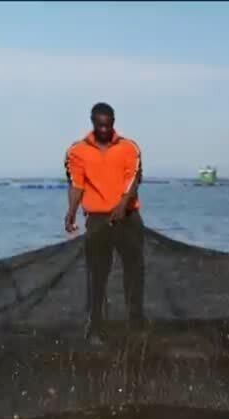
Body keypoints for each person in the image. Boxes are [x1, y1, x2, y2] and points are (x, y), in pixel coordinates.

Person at [64, 102, 144, 343]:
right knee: (97, 275)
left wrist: (121, 206)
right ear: (92, 123)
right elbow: (77, 185)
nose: (104, 129)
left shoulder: (129, 147)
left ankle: (136, 324)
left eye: (108, 125)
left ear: (113, 123)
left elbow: (133, 180)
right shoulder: (77, 151)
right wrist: (71, 211)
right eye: (99, 125)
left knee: (134, 271)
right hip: (98, 220)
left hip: (128, 217)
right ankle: (96, 327)